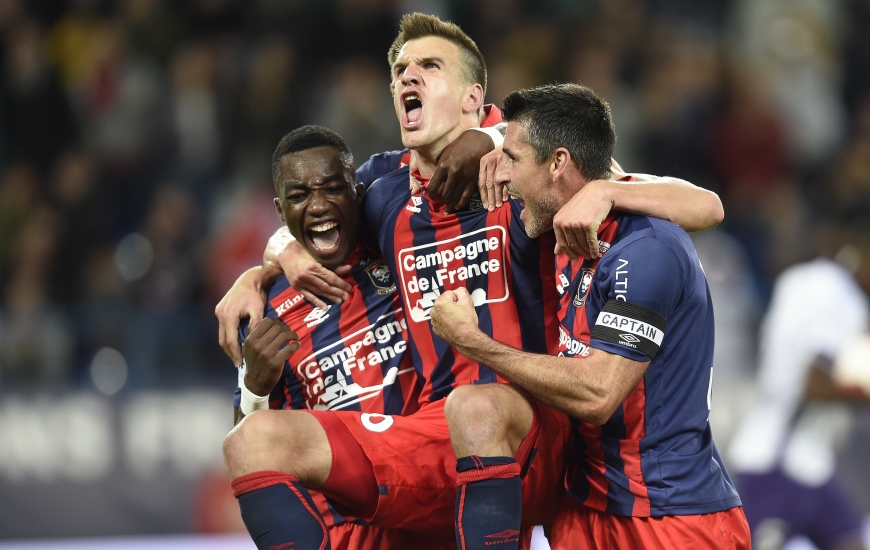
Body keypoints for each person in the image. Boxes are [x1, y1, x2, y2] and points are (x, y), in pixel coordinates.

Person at [221, 13, 726, 550]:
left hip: (539, 423)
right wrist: (266, 265)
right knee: (253, 441)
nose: (407, 78)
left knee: (477, 406)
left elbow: (704, 205)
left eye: (429, 66)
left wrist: (603, 190)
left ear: (472, 97)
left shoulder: (522, 167)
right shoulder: (384, 192)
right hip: (439, 429)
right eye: (399, 70)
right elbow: (315, 207)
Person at [430, 83, 750, 550]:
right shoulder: (566, 217)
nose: (503, 175)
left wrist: (471, 341)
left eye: (513, 160)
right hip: (585, 513)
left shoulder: (645, 250)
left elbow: (600, 394)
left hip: (670, 521)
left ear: (558, 163)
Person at [233, 124, 453, 549]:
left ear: (357, 190)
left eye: (332, 189)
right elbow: (250, 455)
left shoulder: (399, 243)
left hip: (431, 495)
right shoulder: (264, 309)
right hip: (353, 530)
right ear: (280, 210)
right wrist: (253, 389)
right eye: (299, 197)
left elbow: (449, 149)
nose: (317, 206)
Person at [727, 218, 870, 550]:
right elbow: (812, 382)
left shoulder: (802, 280)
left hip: (801, 458)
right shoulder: (841, 295)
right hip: (780, 462)